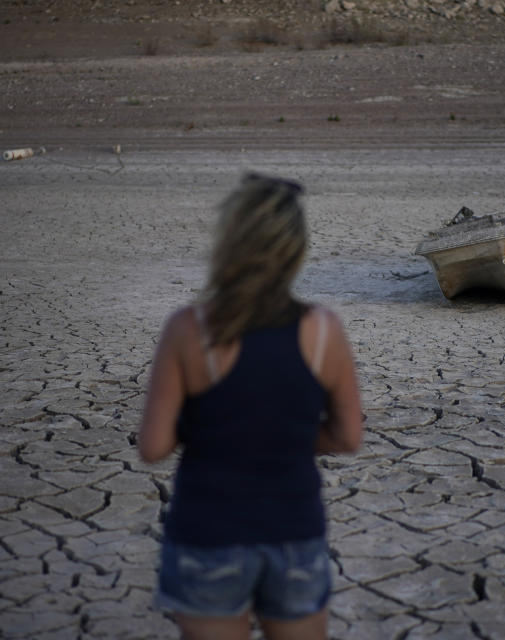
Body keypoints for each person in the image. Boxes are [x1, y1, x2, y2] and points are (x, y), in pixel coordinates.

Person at [138, 173, 363, 640]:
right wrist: (288, 434)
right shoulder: (325, 333)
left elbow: (154, 446)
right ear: (295, 250)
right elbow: (347, 436)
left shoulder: (188, 329)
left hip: (209, 535)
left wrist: (214, 428)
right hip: (294, 534)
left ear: (230, 243)